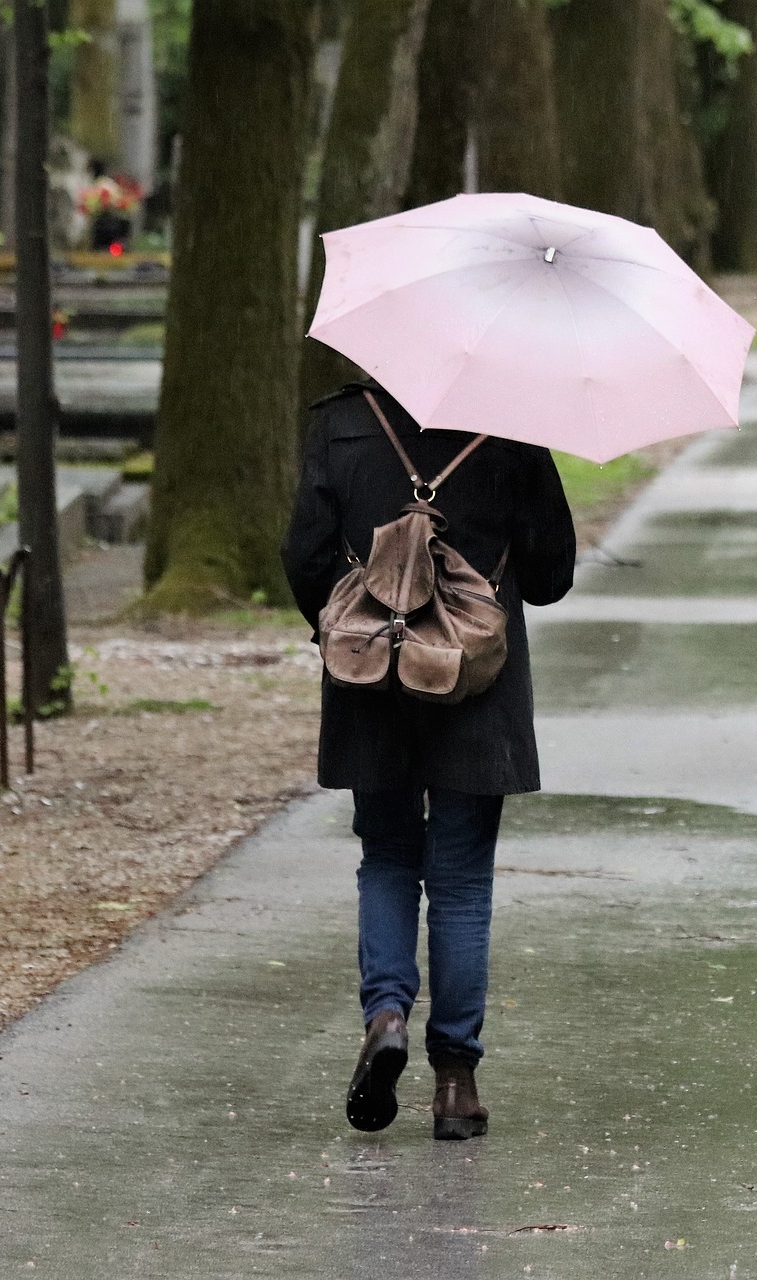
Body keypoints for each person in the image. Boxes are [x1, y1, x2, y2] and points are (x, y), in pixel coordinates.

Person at [282, 380, 574, 1141]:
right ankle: (455, 1082)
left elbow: (305, 557)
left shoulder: (340, 423)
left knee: (384, 856)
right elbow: (550, 576)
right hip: (477, 682)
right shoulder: (512, 424)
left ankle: (385, 1015)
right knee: (462, 879)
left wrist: (359, 617)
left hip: (367, 673)